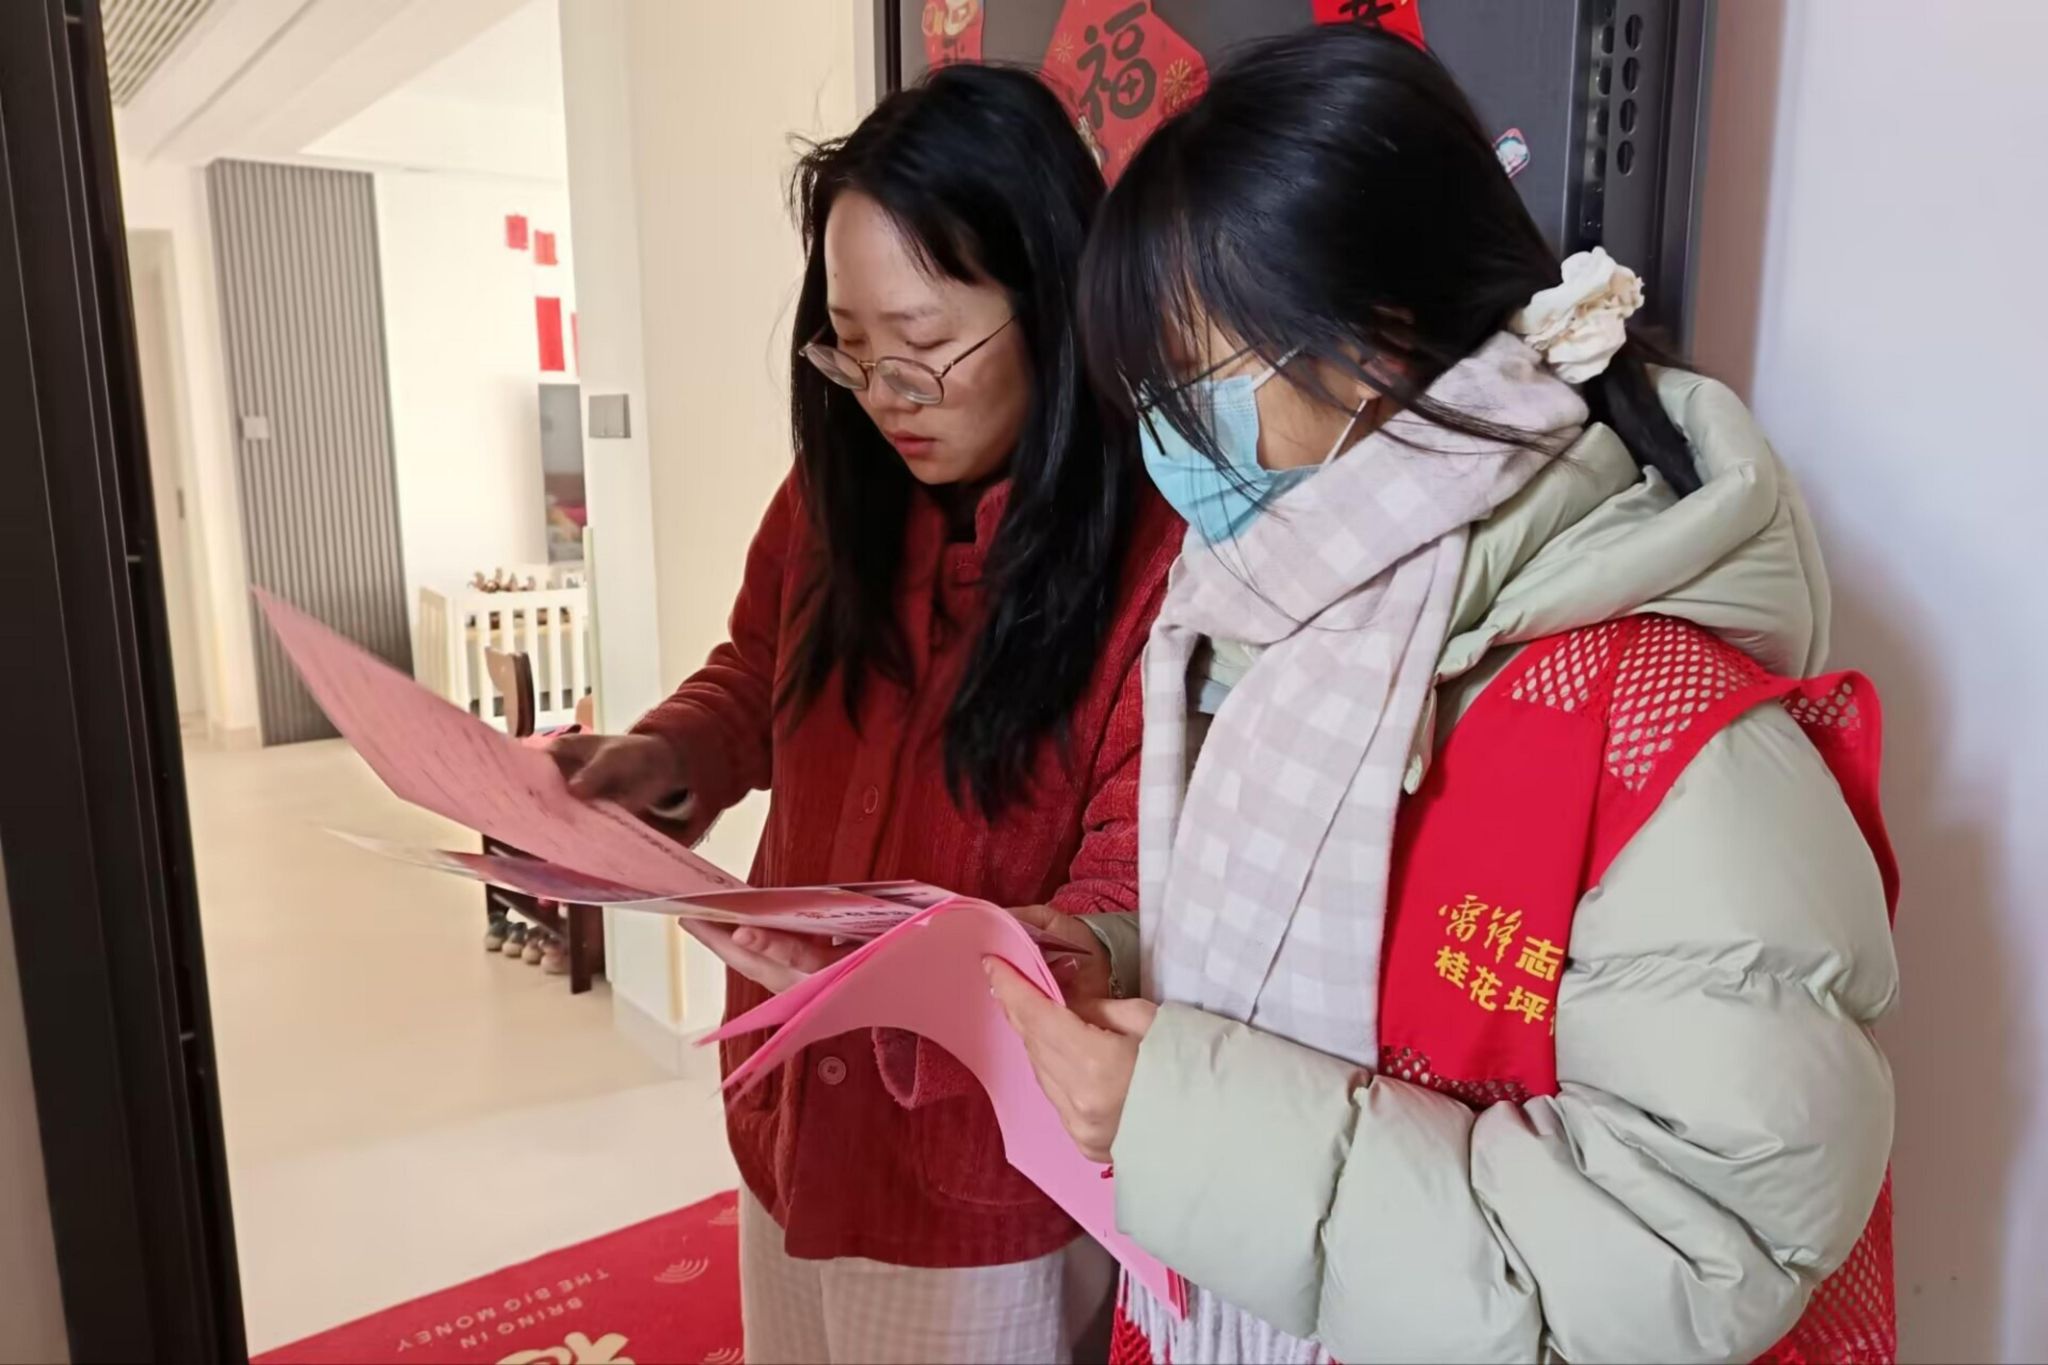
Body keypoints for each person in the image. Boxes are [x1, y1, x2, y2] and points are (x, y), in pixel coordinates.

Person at [989, 27, 1899, 1365]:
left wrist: (1179, 1119)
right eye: (1144, 400)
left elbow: (1690, 1255)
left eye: (1191, 386)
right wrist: (1119, 966)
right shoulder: (1295, 630)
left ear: (1377, 341)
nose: (1167, 443)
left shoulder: (1676, 741)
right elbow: (1342, 965)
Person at [551, 63, 1177, 1365]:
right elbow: (756, 675)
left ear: (1056, 301)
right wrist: (661, 757)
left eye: (926, 345)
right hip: (793, 1106)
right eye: (852, 346)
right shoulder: (836, 489)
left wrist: (953, 967)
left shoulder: (1154, 552)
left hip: (978, 1171)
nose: (888, 394)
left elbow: (1130, 886)